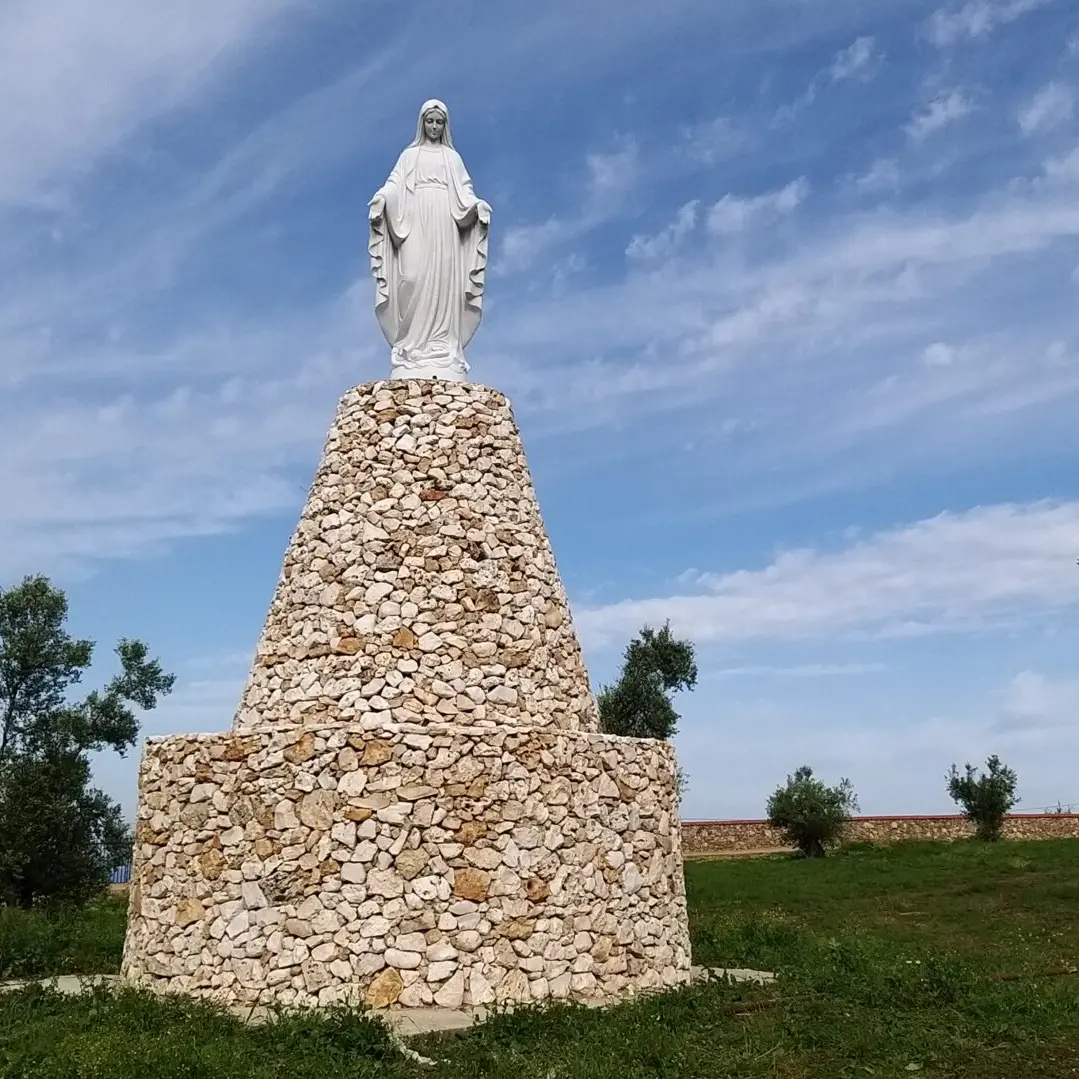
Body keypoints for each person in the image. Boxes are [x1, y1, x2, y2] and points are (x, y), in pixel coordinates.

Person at [368, 99, 492, 380]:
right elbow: (394, 185)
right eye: (430, 121)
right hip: (414, 219)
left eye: (439, 122)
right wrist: (382, 199)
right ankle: (411, 346)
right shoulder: (409, 157)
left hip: (444, 223)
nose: (434, 127)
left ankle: (441, 346)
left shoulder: (452, 159)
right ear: (422, 123)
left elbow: (465, 191)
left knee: (444, 282)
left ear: (445, 126)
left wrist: (477, 206)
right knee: (411, 277)